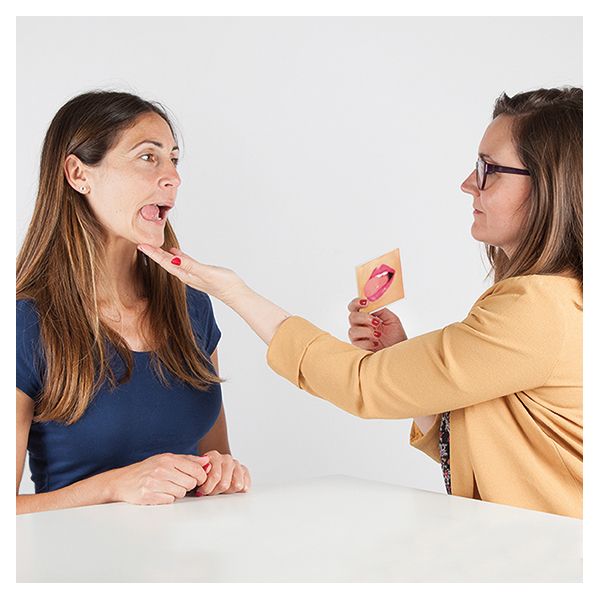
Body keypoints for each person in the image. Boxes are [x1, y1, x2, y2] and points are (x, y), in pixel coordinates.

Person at [138, 87, 583, 518]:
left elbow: (364, 385)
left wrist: (235, 293)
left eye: (489, 168)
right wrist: (399, 357)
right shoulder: (558, 301)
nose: (468, 184)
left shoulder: (538, 308)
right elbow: (493, 446)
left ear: (550, 185)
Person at [16, 91, 251, 515]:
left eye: (173, 160)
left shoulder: (192, 308)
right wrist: (113, 486)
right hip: (76, 556)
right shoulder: (24, 323)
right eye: (148, 157)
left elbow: (214, 458)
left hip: (192, 555)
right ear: (78, 174)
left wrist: (221, 472)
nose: (172, 177)